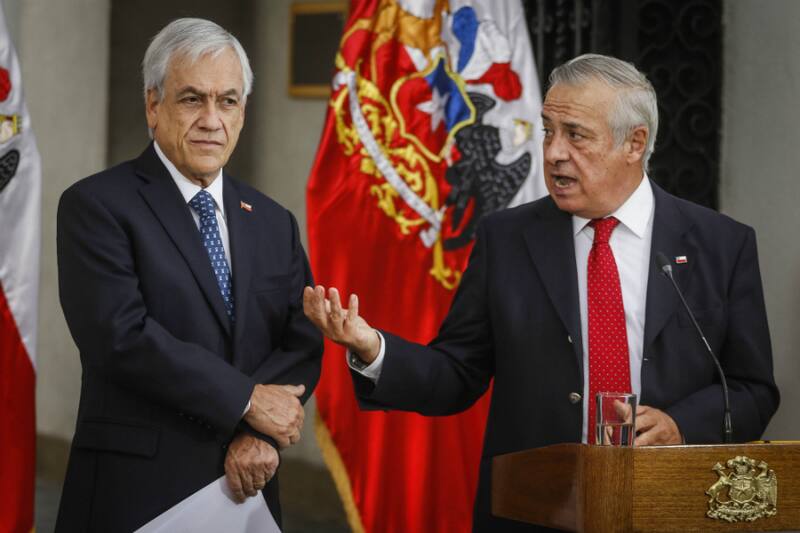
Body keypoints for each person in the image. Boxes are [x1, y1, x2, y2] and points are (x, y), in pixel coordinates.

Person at [303, 54, 780, 532]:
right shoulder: (506, 240)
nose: (553, 153)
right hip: (535, 510)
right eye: (548, 131)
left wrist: (681, 425)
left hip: (671, 507)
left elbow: (752, 390)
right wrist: (373, 349)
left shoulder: (720, 245)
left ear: (634, 143)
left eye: (575, 135)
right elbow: (457, 373)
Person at [55, 18, 322, 532]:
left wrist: (259, 434)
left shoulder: (273, 221)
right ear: (153, 106)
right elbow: (121, 337)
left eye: (227, 101)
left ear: (242, 112)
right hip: (139, 492)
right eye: (192, 99)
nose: (211, 120)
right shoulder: (97, 206)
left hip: (250, 487)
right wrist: (247, 402)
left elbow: (301, 339)